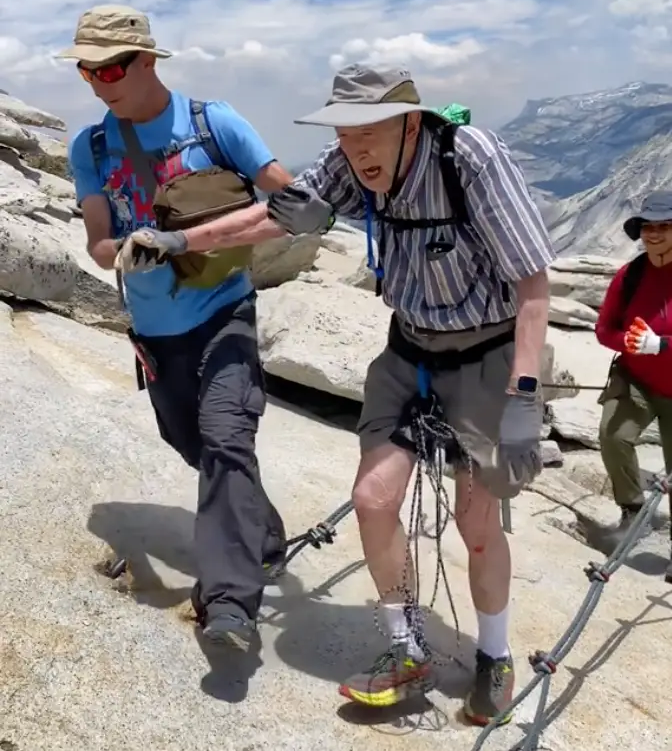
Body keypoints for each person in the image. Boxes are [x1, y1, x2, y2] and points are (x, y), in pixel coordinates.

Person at [115, 64, 554, 726]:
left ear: (412, 123)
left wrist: (523, 397)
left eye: (371, 132)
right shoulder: (351, 163)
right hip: (410, 350)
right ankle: (407, 650)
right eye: (346, 135)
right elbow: (277, 217)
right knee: (373, 499)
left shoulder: (470, 160)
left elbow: (533, 285)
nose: (357, 151)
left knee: (478, 527)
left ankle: (493, 656)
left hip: (488, 355)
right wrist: (180, 239)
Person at [63, 4, 293, 652]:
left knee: (226, 437)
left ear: (146, 61)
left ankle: (228, 604)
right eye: (87, 70)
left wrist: (199, 237)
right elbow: (97, 242)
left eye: (109, 67)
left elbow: (289, 197)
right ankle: (260, 530)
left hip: (225, 314)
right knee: (194, 444)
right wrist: (124, 251)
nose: (97, 81)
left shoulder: (213, 123)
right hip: (155, 332)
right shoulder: (92, 147)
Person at [594, 191, 672, 561]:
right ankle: (633, 510)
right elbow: (604, 328)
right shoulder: (631, 275)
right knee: (613, 435)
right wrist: (626, 341)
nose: (654, 235)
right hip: (638, 380)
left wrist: (663, 345)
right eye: (648, 227)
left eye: (664, 227)